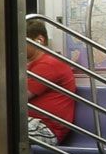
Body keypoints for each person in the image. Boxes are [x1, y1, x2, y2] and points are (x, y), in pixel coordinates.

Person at [24, 18, 76, 146]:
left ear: (39, 40)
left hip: (46, 128)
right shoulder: (32, 64)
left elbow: (20, 96)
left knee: (2, 133)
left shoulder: (49, 64)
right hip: (31, 122)